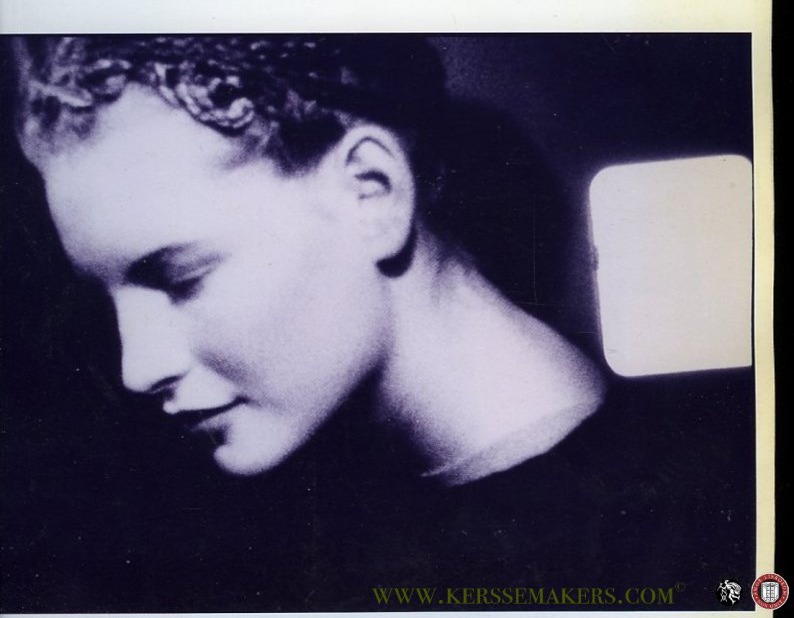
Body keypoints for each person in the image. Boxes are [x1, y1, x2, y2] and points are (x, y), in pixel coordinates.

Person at [8, 33, 755, 610]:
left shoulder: (656, 543)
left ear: (372, 193)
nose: (136, 369)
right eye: (105, 299)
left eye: (181, 277)